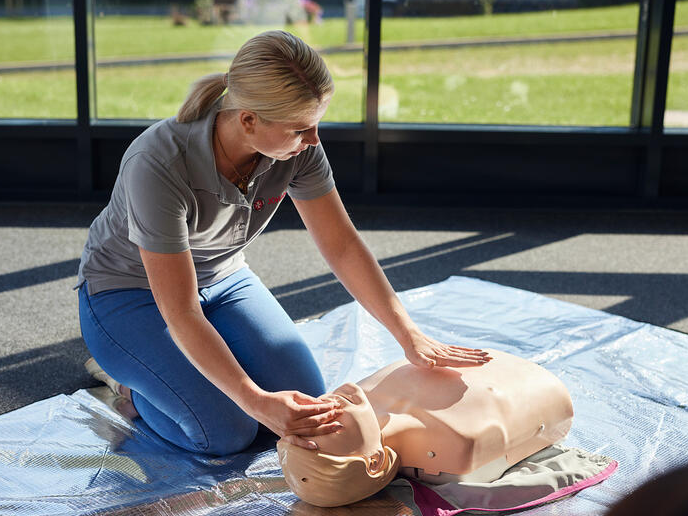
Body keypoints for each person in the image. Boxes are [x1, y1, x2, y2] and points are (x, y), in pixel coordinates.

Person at [76, 30, 491, 457]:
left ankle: (179, 380)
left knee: (306, 402)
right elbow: (180, 311)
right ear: (249, 120)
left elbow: (342, 245)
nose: (313, 139)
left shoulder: (297, 147)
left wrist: (408, 334)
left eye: (315, 124)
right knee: (224, 432)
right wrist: (254, 400)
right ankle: (132, 386)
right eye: (300, 128)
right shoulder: (157, 162)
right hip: (129, 295)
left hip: (223, 279)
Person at [277, 348, 574, 507]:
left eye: (304, 426)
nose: (315, 415)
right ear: (375, 461)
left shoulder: (365, 395)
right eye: (326, 430)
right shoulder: (456, 439)